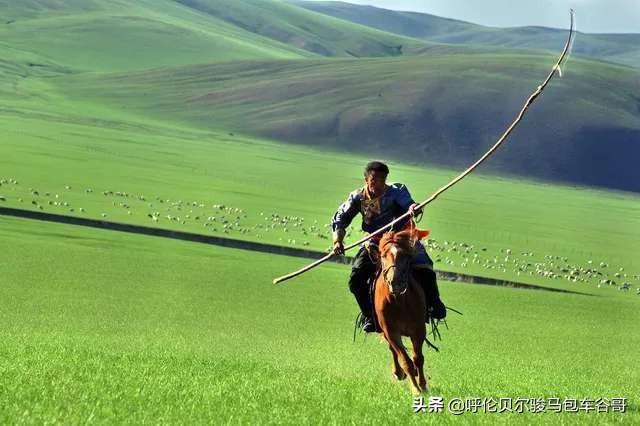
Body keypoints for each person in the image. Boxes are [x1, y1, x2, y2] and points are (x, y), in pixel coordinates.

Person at [331, 160, 446, 332]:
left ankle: (433, 305)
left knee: (425, 268)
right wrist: (337, 241)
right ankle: (370, 316)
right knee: (355, 280)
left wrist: (413, 208)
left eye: (382, 179)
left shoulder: (396, 191)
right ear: (366, 179)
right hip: (375, 242)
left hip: (401, 238)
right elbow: (340, 219)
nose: (378, 183)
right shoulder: (357, 197)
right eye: (374, 179)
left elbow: (408, 204)